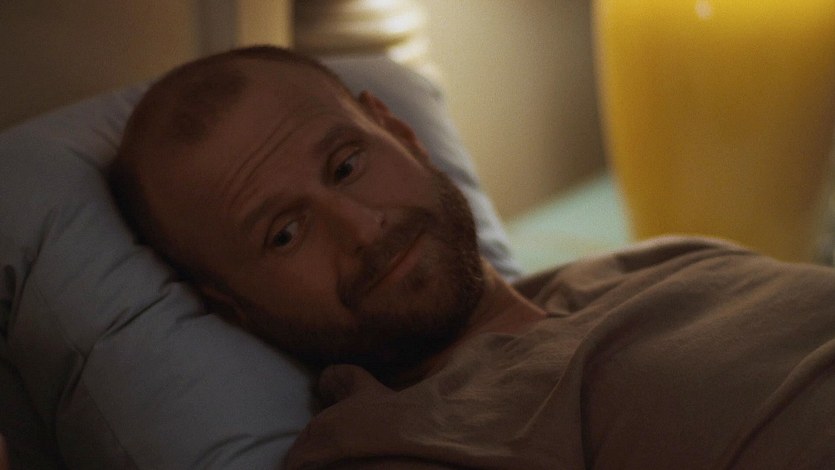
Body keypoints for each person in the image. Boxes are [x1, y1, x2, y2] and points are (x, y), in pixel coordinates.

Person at [110, 45, 835, 469]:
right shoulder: (398, 443)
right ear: (233, 307)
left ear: (401, 132)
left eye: (346, 166)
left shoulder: (654, 261)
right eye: (284, 234)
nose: (360, 229)